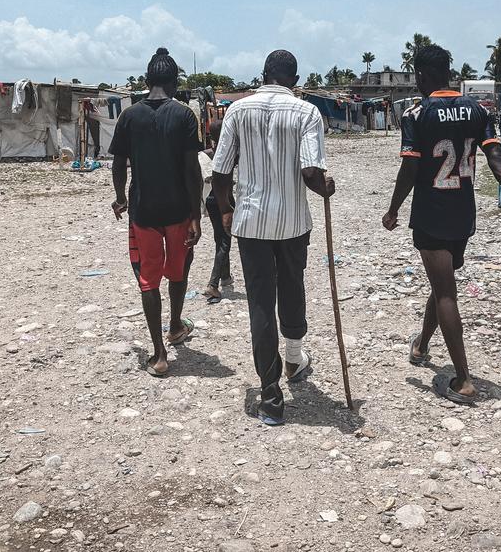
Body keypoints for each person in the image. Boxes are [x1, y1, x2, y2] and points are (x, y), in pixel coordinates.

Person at [382, 44, 501, 405]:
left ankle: (463, 379)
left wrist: (393, 209)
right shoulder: (478, 110)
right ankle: (420, 345)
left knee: (445, 291)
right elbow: (495, 156)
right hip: (463, 214)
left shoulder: (416, 114)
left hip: (432, 213)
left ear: (420, 75)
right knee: (443, 283)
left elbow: (411, 168)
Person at [212, 49, 335, 426]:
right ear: (294, 81)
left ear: (263, 74)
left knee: (261, 303)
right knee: (293, 286)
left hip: (250, 223)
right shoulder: (306, 112)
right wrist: (326, 188)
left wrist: (228, 210)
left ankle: (270, 395)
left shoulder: (237, 110)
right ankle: (294, 358)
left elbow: (219, 174)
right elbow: (310, 173)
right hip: (293, 222)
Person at [109, 48, 203, 377]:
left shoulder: (129, 116)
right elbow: (192, 169)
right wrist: (196, 214)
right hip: (178, 210)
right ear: (174, 82)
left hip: (143, 212)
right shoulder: (185, 115)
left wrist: (120, 197)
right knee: (178, 272)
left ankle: (159, 354)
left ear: (148, 81)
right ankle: (176, 325)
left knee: (148, 280)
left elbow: (119, 163)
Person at [200, 119, 235, 302]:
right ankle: (213, 284)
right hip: (226, 200)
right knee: (225, 241)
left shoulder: (205, 155)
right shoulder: (230, 154)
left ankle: (225, 276)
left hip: (210, 201)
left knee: (219, 236)